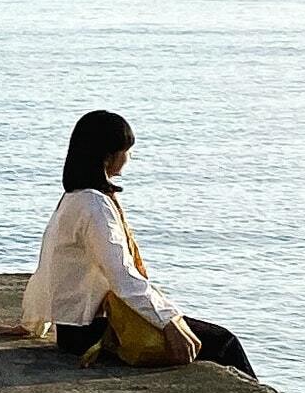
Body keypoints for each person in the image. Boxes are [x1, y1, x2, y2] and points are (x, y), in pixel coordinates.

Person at [20, 110, 255, 376]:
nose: (129, 157)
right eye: (126, 150)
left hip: (70, 332)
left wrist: (33, 321)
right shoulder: (95, 206)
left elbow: (48, 267)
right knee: (224, 342)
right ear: (108, 156)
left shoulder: (71, 200)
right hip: (92, 334)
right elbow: (122, 276)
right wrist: (168, 320)